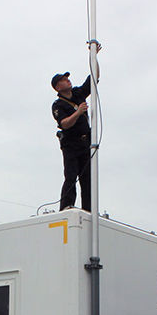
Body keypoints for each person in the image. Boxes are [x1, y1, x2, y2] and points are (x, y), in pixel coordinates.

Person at [51, 68, 97, 211]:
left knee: (87, 179)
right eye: (63, 80)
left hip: (85, 143)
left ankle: (88, 209)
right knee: (71, 176)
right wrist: (78, 112)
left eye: (67, 79)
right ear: (58, 87)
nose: (67, 80)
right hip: (71, 144)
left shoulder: (78, 93)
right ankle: (66, 206)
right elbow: (65, 124)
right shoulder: (58, 105)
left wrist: (95, 57)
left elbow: (93, 80)